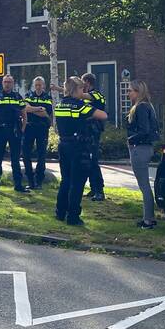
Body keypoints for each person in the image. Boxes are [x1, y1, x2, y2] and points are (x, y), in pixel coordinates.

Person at [53, 76, 107, 225]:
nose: (83, 91)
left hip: (63, 145)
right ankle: (73, 217)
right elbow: (103, 115)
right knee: (77, 183)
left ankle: (60, 212)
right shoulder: (80, 106)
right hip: (78, 147)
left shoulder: (59, 105)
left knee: (66, 180)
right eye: (81, 89)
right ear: (75, 90)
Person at [126, 80, 160, 229]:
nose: (128, 94)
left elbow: (144, 130)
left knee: (144, 185)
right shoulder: (148, 106)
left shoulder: (140, 107)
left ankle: (148, 219)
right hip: (146, 147)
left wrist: (131, 139)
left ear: (138, 92)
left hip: (140, 148)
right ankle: (148, 217)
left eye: (130, 91)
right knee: (145, 185)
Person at [0, 74, 27, 193]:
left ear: (13, 84)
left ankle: (18, 185)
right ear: (2, 83)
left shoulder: (17, 97)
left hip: (14, 130)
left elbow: (24, 114)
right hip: (0, 130)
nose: (7, 84)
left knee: (15, 159)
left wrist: (22, 129)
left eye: (9, 82)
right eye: (5, 82)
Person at [21, 76, 53, 191]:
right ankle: (30, 181)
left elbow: (46, 113)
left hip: (42, 129)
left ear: (43, 86)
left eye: (40, 85)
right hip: (29, 128)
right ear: (34, 86)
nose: (38, 87)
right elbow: (25, 109)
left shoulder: (47, 97)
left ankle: (39, 181)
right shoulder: (28, 95)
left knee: (41, 155)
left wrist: (32, 109)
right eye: (36, 85)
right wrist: (38, 108)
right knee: (25, 154)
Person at [81, 72, 108, 201]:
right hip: (88, 131)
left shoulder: (97, 94)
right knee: (89, 160)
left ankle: (100, 191)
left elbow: (80, 95)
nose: (81, 85)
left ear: (87, 82)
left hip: (94, 131)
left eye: (82, 82)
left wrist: (61, 89)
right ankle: (93, 189)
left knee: (93, 161)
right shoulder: (87, 96)